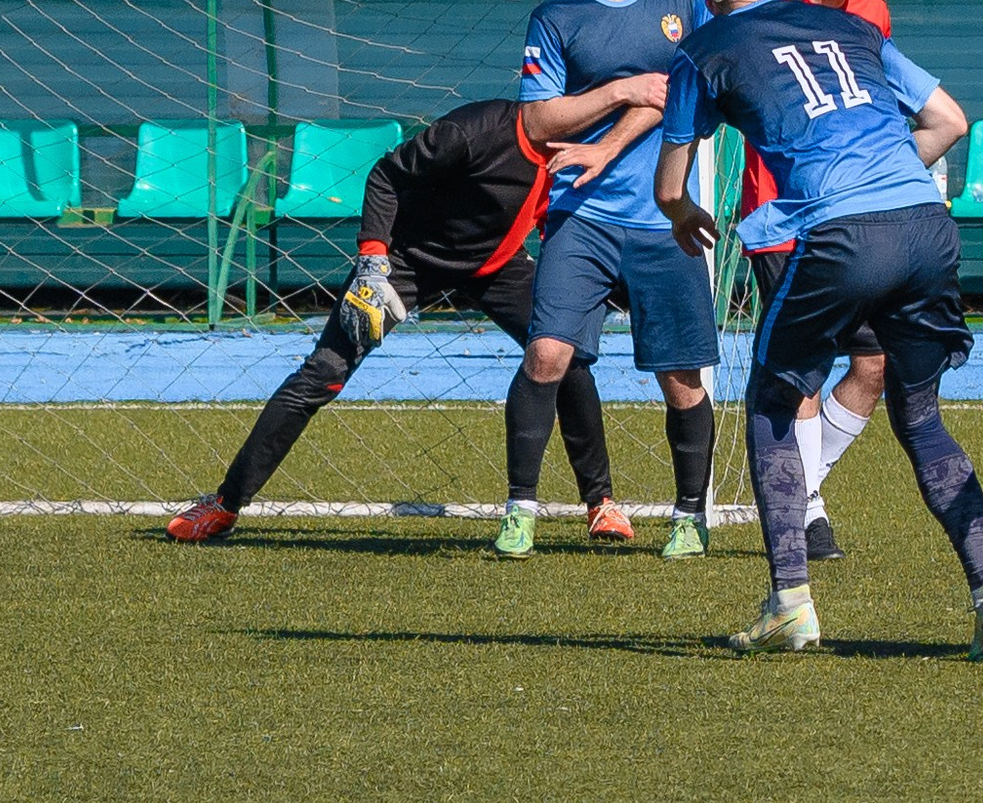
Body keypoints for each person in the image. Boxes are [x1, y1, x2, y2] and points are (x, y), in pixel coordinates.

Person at [655, 0, 983, 659]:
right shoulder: (846, 25)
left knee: (771, 402)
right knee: (919, 417)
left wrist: (685, 213)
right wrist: (887, 177)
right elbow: (949, 119)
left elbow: (670, 185)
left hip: (842, 236)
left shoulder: (700, 51)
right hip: (926, 223)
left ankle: (790, 601)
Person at [163, 97, 649, 545]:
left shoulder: (585, 148)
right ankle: (225, 504)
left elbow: (550, 211)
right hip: (404, 260)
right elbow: (385, 177)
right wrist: (373, 263)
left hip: (496, 264)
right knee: (323, 373)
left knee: (563, 357)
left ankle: (600, 504)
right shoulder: (470, 131)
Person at [518, 0, 721, 558]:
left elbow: (693, 92)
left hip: (666, 220)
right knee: (546, 354)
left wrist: (608, 139)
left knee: (680, 378)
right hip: (582, 218)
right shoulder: (556, 17)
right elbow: (541, 119)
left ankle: (689, 515)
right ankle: (520, 509)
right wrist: (622, 89)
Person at [734, 0, 895, 562]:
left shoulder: (875, 15)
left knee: (874, 361)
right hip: (783, 220)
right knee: (803, 370)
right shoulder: (766, 18)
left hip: (853, 220)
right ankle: (808, 510)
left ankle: (797, 488)